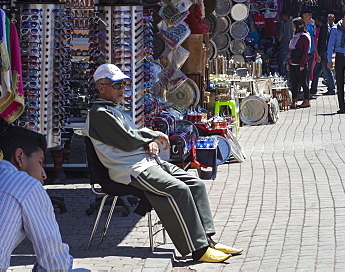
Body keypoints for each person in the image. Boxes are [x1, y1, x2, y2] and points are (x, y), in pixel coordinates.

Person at [84, 64, 241, 263]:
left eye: (123, 84)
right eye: (116, 85)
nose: (122, 88)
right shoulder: (99, 114)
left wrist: (148, 141)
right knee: (179, 189)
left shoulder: (113, 110)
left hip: (145, 162)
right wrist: (153, 135)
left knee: (196, 184)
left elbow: (131, 137)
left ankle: (208, 239)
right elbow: (127, 139)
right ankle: (198, 249)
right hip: (132, 169)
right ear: (101, 87)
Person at [0, 126, 73, 271]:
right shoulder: (26, 185)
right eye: (40, 163)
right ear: (20, 157)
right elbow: (55, 262)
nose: (44, 174)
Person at [287, 17, 312, 108]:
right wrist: (289, 62)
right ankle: (294, 100)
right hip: (293, 63)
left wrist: (302, 64)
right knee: (294, 83)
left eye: (293, 26)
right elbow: (291, 50)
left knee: (303, 82)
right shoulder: (294, 36)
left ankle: (306, 100)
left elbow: (305, 52)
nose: (292, 27)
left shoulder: (305, 37)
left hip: (301, 64)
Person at [311, 14, 337, 97]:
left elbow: (323, 42)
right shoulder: (325, 28)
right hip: (323, 52)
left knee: (327, 71)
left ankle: (331, 89)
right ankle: (313, 89)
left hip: (323, 52)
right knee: (316, 71)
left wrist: (320, 54)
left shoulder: (324, 29)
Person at [276, 11, 293, 76]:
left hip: (284, 44)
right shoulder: (293, 25)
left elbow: (280, 38)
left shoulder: (283, 25)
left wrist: (277, 39)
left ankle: (282, 73)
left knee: (282, 60)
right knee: (289, 59)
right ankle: (288, 72)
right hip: (291, 44)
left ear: (285, 16)